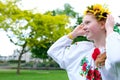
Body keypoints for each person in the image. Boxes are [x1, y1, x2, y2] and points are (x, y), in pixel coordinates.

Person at [47, 4, 120, 80]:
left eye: (87, 22)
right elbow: (53, 51)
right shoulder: (81, 49)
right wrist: (73, 34)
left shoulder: (114, 48)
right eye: (83, 24)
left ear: (102, 24)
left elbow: (116, 59)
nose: (84, 27)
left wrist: (109, 29)